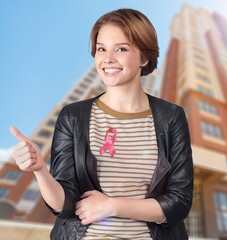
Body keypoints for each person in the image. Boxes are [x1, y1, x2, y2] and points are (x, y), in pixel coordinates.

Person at [10, 8, 193, 240]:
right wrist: (40, 171)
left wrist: (112, 206)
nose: (108, 59)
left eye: (121, 49)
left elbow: (179, 202)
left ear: (144, 58)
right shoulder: (72, 117)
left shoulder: (171, 117)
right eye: (101, 49)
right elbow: (65, 207)